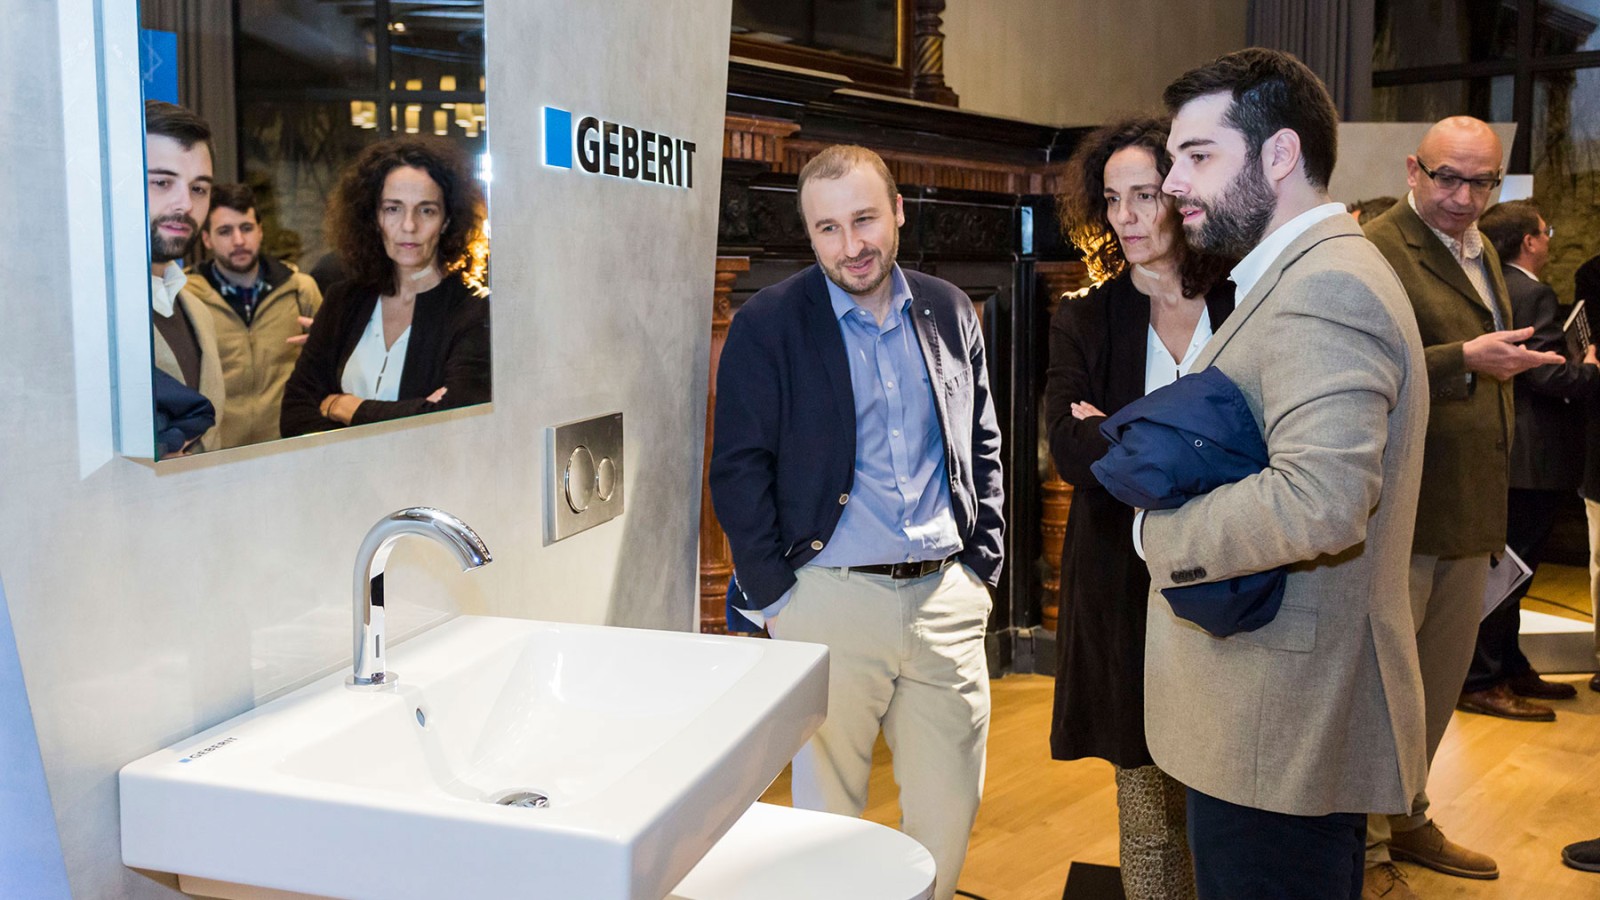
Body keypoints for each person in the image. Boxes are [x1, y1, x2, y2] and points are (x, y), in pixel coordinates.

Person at [1145, 48, 1429, 899]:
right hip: (1273, 716)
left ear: (1279, 154)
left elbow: (1323, 498)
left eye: (1198, 156)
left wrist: (1159, 535)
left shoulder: (1326, 287)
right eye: (1173, 158)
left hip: (1282, 724)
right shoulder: (1303, 275)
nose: (1172, 183)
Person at [708, 144, 1004, 900]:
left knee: (949, 807)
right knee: (829, 820)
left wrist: (982, 568)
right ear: (809, 234)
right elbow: (738, 469)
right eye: (829, 229)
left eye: (865, 220)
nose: (852, 246)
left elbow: (982, 440)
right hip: (828, 600)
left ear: (898, 212)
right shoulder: (768, 324)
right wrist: (778, 598)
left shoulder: (949, 308)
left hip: (945, 596)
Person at [1362, 117, 1564, 895]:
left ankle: (1408, 816)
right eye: (1448, 176)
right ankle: (1365, 850)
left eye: (1481, 182)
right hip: (1404, 512)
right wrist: (1463, 360)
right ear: (1414, 169)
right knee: (1386, 693)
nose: (1463, 196)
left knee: (1439, 686)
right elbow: (1360, 365)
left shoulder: (1477, 251)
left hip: (1470, 507)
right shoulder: (1380, 247)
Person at [1044, 116, 1233, 900]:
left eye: (1145, 195)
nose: (1125, 216)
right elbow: (1068, 449)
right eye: (1113, 198)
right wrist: (1200, 447)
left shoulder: (1242, 299)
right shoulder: (1085, 315)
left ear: (1183, 196)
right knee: (1148, 806)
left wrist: (1124, 431)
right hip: (1125, 580)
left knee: (1228, 798)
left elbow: (1273, 440)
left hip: (1238, 571)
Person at [1458, 200, 1597, 720]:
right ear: (1529, 241)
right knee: (1509, 571)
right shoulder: (1532, 292)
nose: (1550, 240)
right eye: (1546, 231)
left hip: (1510, 452)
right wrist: (1590, 368)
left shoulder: (1492, 285)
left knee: (1510, 569)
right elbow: (1544, 374)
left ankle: (1509, 666)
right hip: (1531, 457)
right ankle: (1483, 679)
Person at [280, 138, 489, 437]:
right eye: (393, 209)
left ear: (447, 221)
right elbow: (294, 415)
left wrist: (346, 407)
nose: (408, 226)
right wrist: (414, 412)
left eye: (426, 211)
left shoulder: (475, 310)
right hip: (342, 469)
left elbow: (454, 424)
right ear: (374, 217)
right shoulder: (343, 300)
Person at [187, 183, 323, 448]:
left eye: (246, 228)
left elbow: (331, 370)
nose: (239, 240)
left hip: (288, 447)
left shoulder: (300, 290)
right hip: (216, 454)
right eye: (225, 231)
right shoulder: (187, 298)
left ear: (260, 231)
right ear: (207, 239)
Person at [145, 100, 224, 455]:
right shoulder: (84, 318)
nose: (185, 204)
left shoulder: (198, 312)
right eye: (162, 182)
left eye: (199, 188)